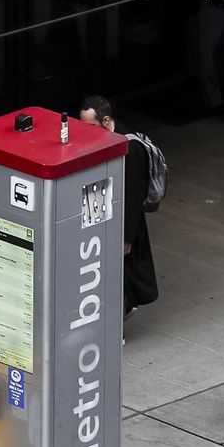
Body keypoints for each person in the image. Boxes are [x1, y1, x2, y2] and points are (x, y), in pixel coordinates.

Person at [78, 97, 158, 316]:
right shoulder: (104, 138)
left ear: (106, 120)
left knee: (119, 273)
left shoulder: (130, 149)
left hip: (123, 221)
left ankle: (120, 314)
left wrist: (126, 237)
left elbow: (133, 197)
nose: (86, 131)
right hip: (103, 212)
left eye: (90, 126)